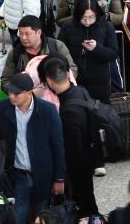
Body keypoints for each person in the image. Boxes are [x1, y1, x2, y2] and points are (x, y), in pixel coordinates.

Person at [0, 72, 65, 224]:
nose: (11, 96)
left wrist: (59, 178)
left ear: (29, 92)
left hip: (43, 175)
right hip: (18, 175)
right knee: (18, 216)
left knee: (42, 215)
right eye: (10, 92)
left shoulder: (48, 110)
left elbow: (58, 146)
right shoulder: (2, 107)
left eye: (16, 93)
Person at [42, 57, 100, 217]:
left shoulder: (68, 111)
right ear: (68, 74)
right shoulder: (80, 90)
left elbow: (73, 149)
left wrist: (61, 175)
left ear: (48, 80)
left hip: (78, 167)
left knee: (83, 205)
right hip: (90, 154)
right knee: (88, 199)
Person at [56, 0, 117, 103]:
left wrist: (97, 48)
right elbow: (59, 52)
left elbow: (113, 53)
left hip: (99, 81)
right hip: (75, 79)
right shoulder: (68, 27)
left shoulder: (106, 26)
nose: (87, 21)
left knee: (100, 113)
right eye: (84, 18)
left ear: (97, 15)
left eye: (91, 17)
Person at [0, 16, 75, 88]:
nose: (23, 38)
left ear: (39, 32)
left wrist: (56, 85)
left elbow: (72, 69)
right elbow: (5, 81)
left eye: (27, 34)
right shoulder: (15, 53)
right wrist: (25, 92)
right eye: (21, 33)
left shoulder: (57, 46)